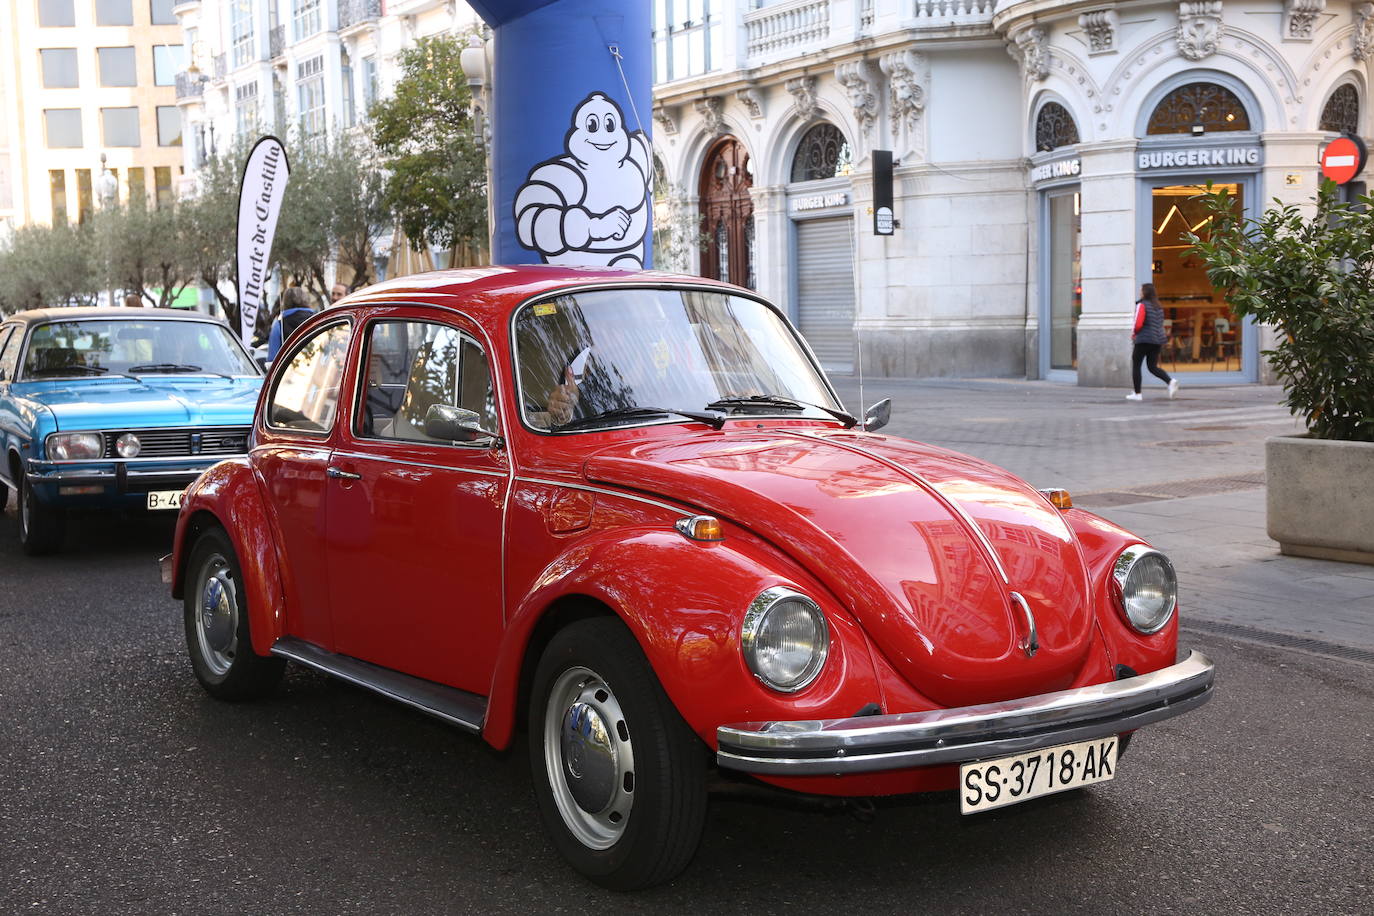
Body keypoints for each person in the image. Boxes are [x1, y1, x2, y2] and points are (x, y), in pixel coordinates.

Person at [1127, 283, 1178, 401]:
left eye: (1141, 290)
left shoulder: (1142, 305)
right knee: (1152, 367)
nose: (1140, 292)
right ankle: (1170, 381)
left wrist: (1134, 333)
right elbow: (1159, 323)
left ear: (1145, 292)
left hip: (1143, 340)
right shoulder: (1158, 306)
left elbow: (1138, 323)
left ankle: (1137, 394)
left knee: (1136, 366)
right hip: (1157, 340)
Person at [267, 286, 317, 361]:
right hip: (313, 369)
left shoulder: (279, 325)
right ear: (306, 300)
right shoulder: (317, 320)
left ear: (285, 302)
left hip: (287, 371)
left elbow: (272, 359)